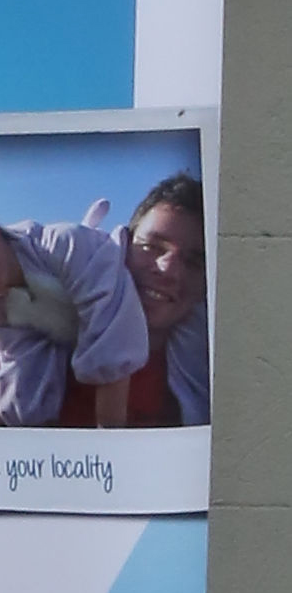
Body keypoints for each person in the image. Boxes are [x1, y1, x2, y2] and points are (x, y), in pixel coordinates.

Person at [0, 190, 144, 425]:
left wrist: (110, 441)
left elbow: (113, 340)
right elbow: (23, 398)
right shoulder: (0, 306)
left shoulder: (64, 244)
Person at [118, 172, 210, 425]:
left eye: (194, 261)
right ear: (122, 246)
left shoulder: (217, 386)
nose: (169, 270)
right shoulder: (41, 358)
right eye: (151, 247)